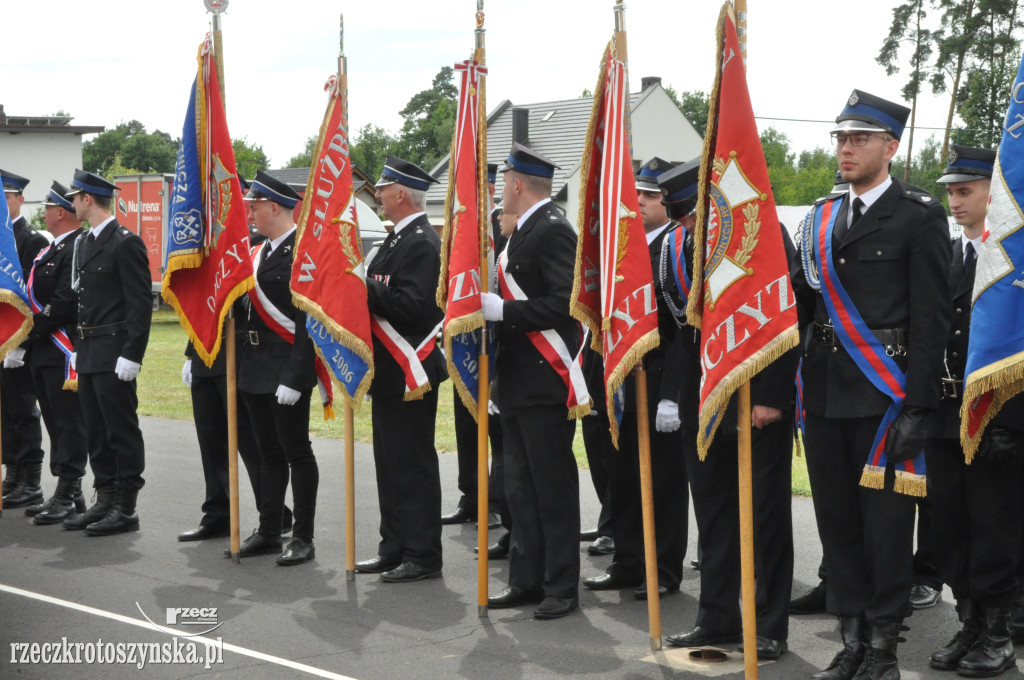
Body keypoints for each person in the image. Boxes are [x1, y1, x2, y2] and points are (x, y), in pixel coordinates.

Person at [792, 90, 951, 680]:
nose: (847, 148)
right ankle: (852, 638)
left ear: (891, 145)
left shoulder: (919, 214)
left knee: (884, 527)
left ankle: (883, 647)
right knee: (836, 524)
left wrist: (920, 404)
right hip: (827, 390)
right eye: (841, 138)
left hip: (885, 398)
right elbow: (803, 308)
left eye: (859, 138)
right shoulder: (821, 217)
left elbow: (933, 317)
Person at [661, 159, 799, 659]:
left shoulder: (764, 235)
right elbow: (689, 329)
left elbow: (787, 316)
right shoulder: (694, 246)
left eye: (691, 212)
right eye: (681, 216)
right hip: (707, 398)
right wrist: (674, 394)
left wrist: (769, 396)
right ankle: (717, 617)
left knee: (763, 517)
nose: (686, 225)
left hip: (754, 400)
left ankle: (768, 627)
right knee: (715, 514)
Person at [480, 143, 585, 620]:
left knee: (551, 487)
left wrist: (506, 311)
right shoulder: (521, 232)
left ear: (518, 184)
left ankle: (560, 585)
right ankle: (525, 579)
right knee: (519, 487)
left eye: (503, 182)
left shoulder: (553, 230)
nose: (501, 190)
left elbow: (568, 303)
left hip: (547, 380)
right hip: (518, 380)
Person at [926, 145, 1019, 677]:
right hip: (945, 415)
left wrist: (1012, 423)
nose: (954, 201)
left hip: (996, 418)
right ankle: (969, 622)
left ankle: (999, 632)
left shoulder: (1011, 257)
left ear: (994, 193)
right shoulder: (949, 251)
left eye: (965, 191)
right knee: (950, 529)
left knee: (994, 530)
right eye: (951, 192)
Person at [582, 157, 688, 601]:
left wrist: (672, 395)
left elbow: (686, 328)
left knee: (662, 481)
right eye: (638, 193)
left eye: (650, 195)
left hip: (659, 375)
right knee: (621, 473)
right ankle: (627, 561)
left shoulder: (678, 246)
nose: (641, 201)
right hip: (621, 376)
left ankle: (663, 569)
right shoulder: (625, 245)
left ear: (668, 202)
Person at [354, 155, 447, 583]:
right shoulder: (394, 241)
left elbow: (415, 308)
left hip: (414, 371)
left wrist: (363, 283)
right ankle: (393, 546)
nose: (378, 194)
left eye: (384, 188)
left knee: (413, 464)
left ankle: (422, 553)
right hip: (389, 371)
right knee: (389, 463)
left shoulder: (423, 243)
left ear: (402, 194)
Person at [233, 171, 318, 565]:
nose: (249, 212)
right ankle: (269, 529)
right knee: (266, 452)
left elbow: (308, 321)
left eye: (254, 205)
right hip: (252, 366)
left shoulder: (303, 251)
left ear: (274, 207)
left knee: (296, 452)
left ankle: (302, 536)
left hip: (285, 368)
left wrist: (297, 375)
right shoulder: (256, 252)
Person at [63, 170, 152, 536]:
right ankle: (105, 498)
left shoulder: (124, 242)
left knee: (121, 430)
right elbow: (81, 299)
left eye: (75, 197)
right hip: (88, 350)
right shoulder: (85, 243)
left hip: (115, 350)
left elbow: (140, 304)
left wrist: (132, 354)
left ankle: (126, 506)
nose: (71, 204)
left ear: (87, 199)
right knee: (96, 431)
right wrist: (75, 346)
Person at [22, 182, 88, 524]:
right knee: (54, 421)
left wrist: (30, 326)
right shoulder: (50, 249)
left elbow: (65, 300)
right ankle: (69, 491)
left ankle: (68, 488)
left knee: (68, 423)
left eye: (48, 207)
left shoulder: (77, 247)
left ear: (60, 212)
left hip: (63, 348)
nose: (44, 213)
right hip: (43, 350)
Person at [442, 162, 503, 531]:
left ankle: (494, 501)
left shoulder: (504, 226)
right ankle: (471, 495)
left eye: (484, 189)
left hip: (498, 340)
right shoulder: (460, 230)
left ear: (494, 190)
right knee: (466, 422)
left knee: (496, 429)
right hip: (466, 338)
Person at [0, 169, 48, 509]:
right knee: (4, 411)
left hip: (19, 343)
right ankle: (13, 472)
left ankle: (30, 479)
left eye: (6, 197)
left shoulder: (32, 240)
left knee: (22, 410)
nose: (2, 203)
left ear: (19, 200)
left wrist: (18, 343)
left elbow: (34, 297)